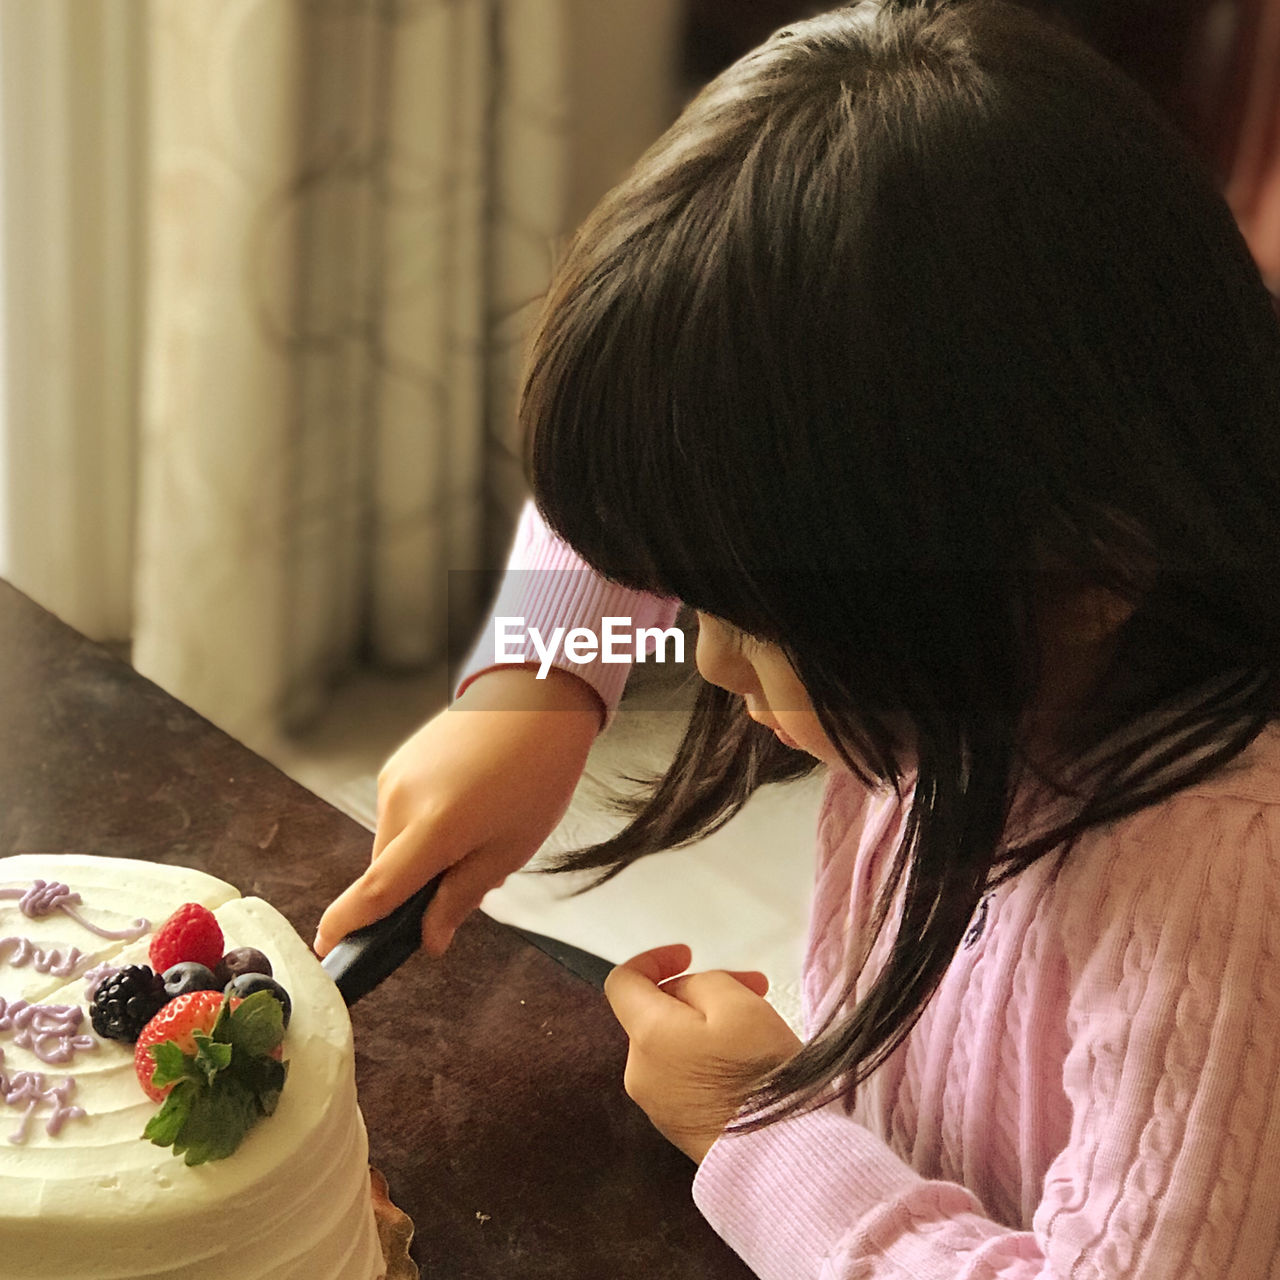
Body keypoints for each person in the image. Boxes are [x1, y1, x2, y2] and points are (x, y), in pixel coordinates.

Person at [317, 0, 1280, 1273]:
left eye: (760, 622)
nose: (704, 661)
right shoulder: (1025, 589)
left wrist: (762, 1131)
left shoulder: (1222, 885)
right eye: (697, 597)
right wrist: (538, 684)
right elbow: (673, 473)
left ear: (1078, 567)